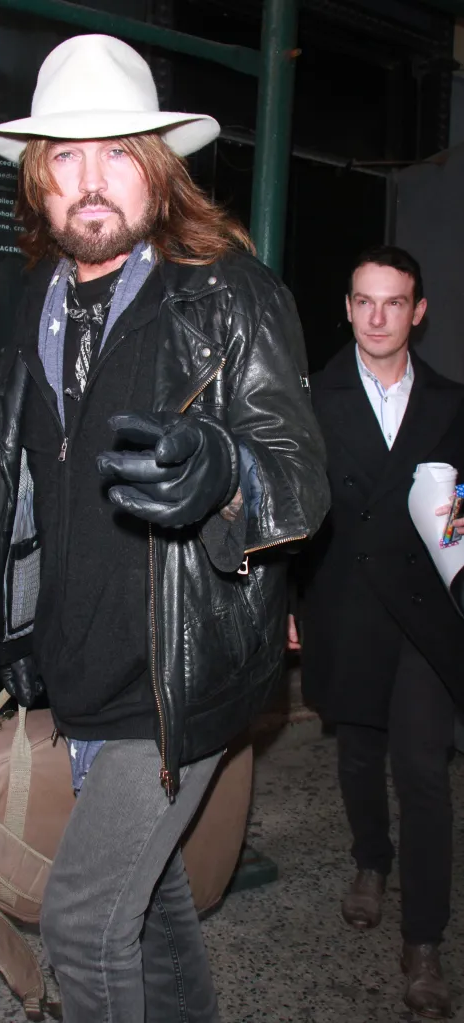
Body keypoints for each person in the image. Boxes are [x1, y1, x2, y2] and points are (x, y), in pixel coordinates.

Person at [0, 33, 329, 1023]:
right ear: (38, 179)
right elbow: (28, 489)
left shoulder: (229, 293)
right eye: (67, 157)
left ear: (158, 169)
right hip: (77, 664)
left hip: (180, 673)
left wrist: (224, 471)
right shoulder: (32, 301)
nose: (91, 181)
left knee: (83, 925)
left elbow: (296, 479)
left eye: (117, 151)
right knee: (152, 899)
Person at [290, 245, 464, 1020]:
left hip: (427, 610)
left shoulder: (454, 403)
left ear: (417, 311)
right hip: (345, 601)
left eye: (393, 302)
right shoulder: (312, 395)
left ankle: (422, 938)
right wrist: (289, 601)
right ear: (349, 306)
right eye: (364, 300)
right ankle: (370, 860)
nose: (377, 316)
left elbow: (459, 509)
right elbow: (294, 510)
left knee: (422, 770)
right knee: (358, 752)